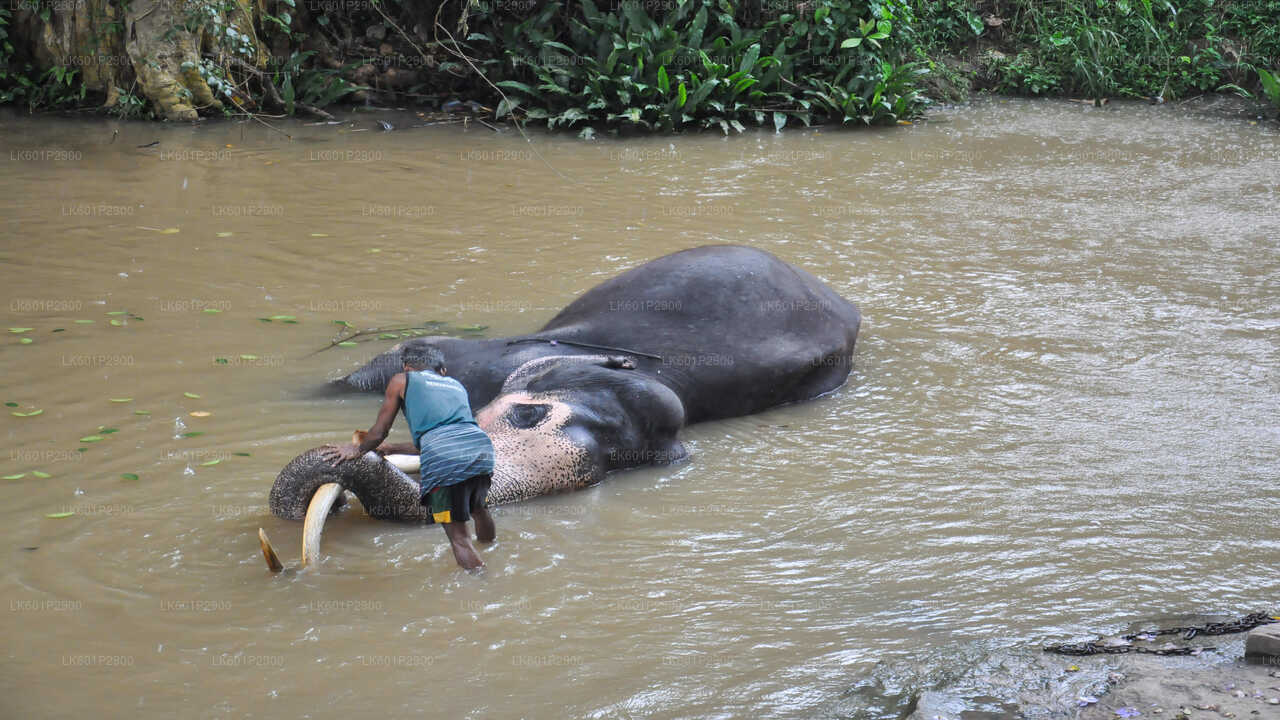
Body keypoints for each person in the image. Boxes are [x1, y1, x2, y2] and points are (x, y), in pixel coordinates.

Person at [320, 346, 495, 570]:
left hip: (445, 460)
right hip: (480, 451)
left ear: (406, 367)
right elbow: (446, 436)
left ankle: (483, 584)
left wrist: (358, 450)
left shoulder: (402, 380)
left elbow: (380, 430)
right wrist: (392, 448)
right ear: (442, 370)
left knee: (459, 538)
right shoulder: (456, 385)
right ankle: (491, 549)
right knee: (479, 509)